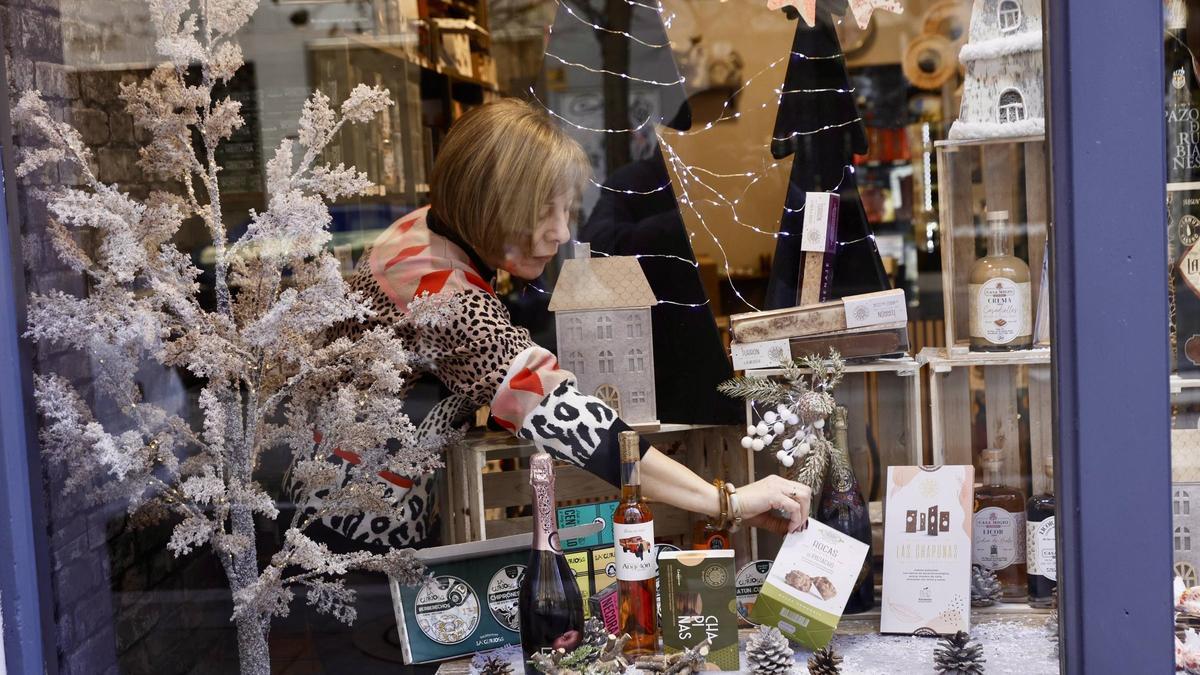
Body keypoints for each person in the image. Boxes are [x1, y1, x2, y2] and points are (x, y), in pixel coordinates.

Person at [290, 98, 811, 548]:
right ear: (489, 205)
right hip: (356, 526)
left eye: (567, 211)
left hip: (340, 496)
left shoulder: (423, 228)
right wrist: (728, 501)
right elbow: (576, 425)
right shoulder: (445, 298)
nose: (562, 232)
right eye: (545, 212)